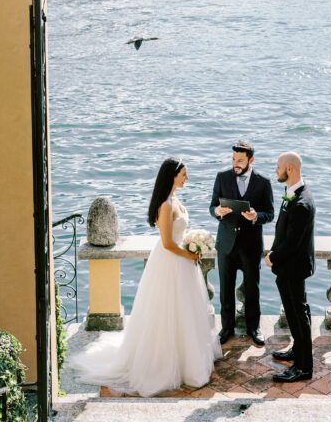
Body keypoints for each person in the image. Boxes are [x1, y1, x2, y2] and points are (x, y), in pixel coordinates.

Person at [73, 158, 220, 396]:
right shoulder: (165, 206)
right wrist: (189, 254)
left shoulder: (176, 200)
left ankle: (186, 362)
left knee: (184, 313)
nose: (187, 178)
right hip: (170, 262)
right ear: (172, 176)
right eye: (184, 174)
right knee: (166, 314)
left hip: (183, 263)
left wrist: (193, 245)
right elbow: (167, 243)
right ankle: (163, 365)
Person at [209, 140, 274, 346]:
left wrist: (256, 216)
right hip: (226, 244)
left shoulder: (263, 182)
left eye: (240, 160)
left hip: (251, 245)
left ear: (250, 160)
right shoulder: (222, 177)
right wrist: (217, 212)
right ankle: (226, 328)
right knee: (225, 290)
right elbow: (212, 206)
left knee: (252, 289)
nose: (236, 163)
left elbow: (270, 214)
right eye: (233, 159)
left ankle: (254, 328)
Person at [265, 151, 315, 382]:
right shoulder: (294, 194)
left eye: (279, 166)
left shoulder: (302, 204)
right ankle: (297, 350)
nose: (276, 170)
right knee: (296, 314)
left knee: (298, 315)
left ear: (290, 169)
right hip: (288, 268)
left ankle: (304, 367)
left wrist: (272, 257)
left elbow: (292, 243)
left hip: (293, 268)